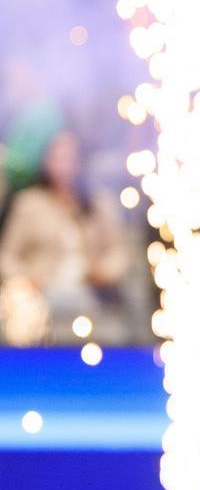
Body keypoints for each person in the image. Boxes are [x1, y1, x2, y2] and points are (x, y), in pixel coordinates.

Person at [0, 131, 127, 344]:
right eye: (58, 157)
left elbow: (118, 254)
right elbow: (6, 256)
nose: (64, 165)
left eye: (70, 157)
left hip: (89, 294)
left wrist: (102, 272)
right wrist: (27, 278)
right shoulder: (29, 203)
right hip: (40, 294)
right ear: (46, 161)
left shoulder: (98, 204)